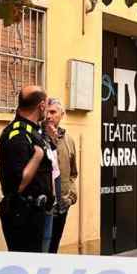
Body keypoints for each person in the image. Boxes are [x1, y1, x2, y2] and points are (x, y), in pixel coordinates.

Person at [0, 86, 53, 274]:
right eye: (46, 106)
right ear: (40, 105)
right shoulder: (18, 134)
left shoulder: (33, 131)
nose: (47, 111)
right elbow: (17, 183)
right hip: (22, 214)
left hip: (35, 213)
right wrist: (38, 156)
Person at [43, 98, 79, 255]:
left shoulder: (69, 141)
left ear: (62, 115)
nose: (49, 116)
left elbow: (73, 173)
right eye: (46, 112)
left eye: (53, 112)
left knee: (53, 248)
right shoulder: (37, 137)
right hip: (42, 207)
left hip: (61, 206)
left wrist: (70, 197)